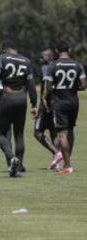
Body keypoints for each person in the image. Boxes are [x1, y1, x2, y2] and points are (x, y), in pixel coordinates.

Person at [0, 40, 37, 177]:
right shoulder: (26, 61)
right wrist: (34, 103)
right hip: (22, 98)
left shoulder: (1, 58)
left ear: (4, 50)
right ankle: (17, 167)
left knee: (1, 133)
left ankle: (11, 158)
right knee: (19, 134)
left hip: (7, 98)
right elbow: (31, 84)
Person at [42, 42, 87, 173]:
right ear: (69, 49)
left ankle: (67, 165)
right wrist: (73, 88)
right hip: (73, 102)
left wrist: (47, 96)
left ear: (57, 51)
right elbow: (84, 86)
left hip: (60, 102)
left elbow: (49, 87)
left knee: (62, 134)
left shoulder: (53, 65)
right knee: (70, 130)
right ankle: (68, 161)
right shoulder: (77, 64)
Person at [33, 48, 62, 170]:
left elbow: (46, 85)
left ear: (49, 57)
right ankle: (55, 162)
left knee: (37, 132)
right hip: (58, 104)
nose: (40, 59)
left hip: (47, 104)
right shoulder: (57, 67)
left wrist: (41, 103)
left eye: (42, 56)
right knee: (54, 131)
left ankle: (57, 154)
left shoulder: (46, 68)